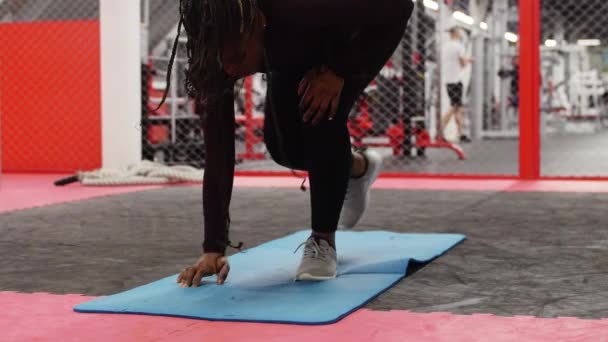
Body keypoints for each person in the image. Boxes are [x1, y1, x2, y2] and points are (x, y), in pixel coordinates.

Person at [168, 0, 414, 287]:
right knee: (283, 147)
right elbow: (218, 148)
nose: (232, 70)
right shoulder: (213, 53)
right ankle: (358, 167)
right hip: (292, 43)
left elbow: (399, 8)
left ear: (255, 23)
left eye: (237, 57)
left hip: (350, 39)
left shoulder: (295, 7)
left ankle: (323, 241)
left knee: (318, 109)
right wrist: (213, 248)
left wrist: (339, 71)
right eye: (226, 64)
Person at [440, 26, 472, 143]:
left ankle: (461, 133)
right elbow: (463, 62)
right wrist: (470, 61)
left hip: (448, 79)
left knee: (458, 107)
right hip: (456, 80)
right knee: (455, 106)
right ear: (456, 33)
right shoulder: (459, 46)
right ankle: (441, 129)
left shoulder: (445, 46)